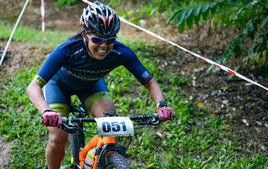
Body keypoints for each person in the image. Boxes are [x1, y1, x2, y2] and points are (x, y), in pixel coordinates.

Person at [26, 1, 174, 169]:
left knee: (111, 128)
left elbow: (149, 82)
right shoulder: (67, 50)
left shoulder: (120, 52)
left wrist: (161, 105)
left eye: (110, 39)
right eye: (97, 39)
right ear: (84, 35)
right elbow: (33, 87)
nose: (104, 45)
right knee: (58, 137)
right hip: (58, 86)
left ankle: (96, 160)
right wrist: (46, 111)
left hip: (91, 85)